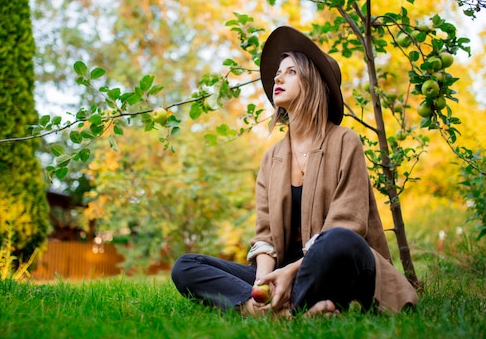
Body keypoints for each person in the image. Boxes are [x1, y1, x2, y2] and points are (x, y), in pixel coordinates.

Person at [171, 26, 418, 317]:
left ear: (313, 83)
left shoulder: (345, 141)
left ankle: (287, 305)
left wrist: (290, 272)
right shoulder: (271, 158)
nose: (277, 77)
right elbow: (265, 237)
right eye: (278, 72)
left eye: (290, 72)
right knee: (186, 266)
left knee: (338, 240)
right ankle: (270, 310)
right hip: (284, 271)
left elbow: (348, 224)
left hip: (335, 266)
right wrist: (264, 280)